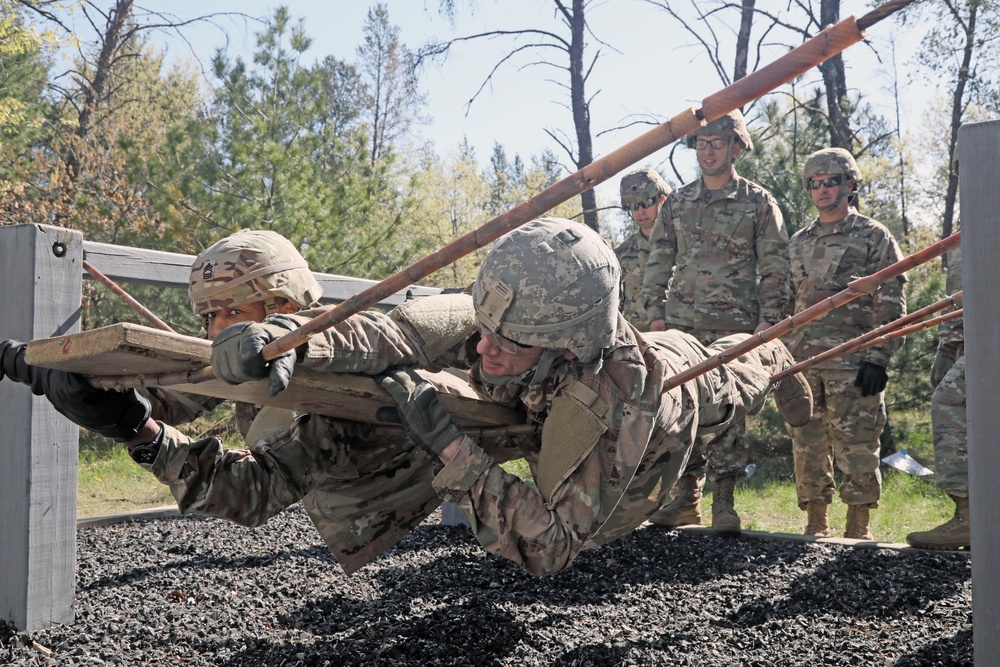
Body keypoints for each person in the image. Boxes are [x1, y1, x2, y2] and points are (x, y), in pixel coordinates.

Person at [207, 217, 812, 576]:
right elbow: (397, 332)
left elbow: (551, 546)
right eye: (484, 331)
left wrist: (452, 452)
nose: (483, 352)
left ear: (565, 348)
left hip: (684, 395)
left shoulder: (618, 398)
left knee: (736, 373)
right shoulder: (512, 313)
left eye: (508, 345)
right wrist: (293, 339)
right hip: (558, 398)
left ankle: (777, 354)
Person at [0, 229, 465, 575]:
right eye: (209, 316)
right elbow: (169, 394)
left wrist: (139, 431)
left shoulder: (342, 387)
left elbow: (254, 491)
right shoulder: (250, 353)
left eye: (235, 311)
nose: (216, 330)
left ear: (283, 307)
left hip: (409, 475)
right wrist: (69, 380)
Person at [640, 109, 792, 534]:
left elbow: (776, 266)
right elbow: (659, 259)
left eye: (717, 144)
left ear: (736, 147)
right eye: (701, 144)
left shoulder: (759, 203)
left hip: (735, 327)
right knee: (682, 411)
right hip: (681, 327)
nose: (708, 152)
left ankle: (724, 503)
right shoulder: (679, 203)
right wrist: (655, 315)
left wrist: (769, 324)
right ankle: (686, 500)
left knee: (729, 412)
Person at [786, 148, 907, 540]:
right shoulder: (799, 242)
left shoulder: (874, 236)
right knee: (807, 446)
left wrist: (879, 357)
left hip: (852, 363)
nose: (822, 190)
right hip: (804, 362)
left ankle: (857, 529)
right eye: (815, 184)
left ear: (850, 185)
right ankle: (816, 524)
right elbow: (789, 300)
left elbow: (890, 299)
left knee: (857, 447)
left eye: (831, 181)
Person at [906, 245, 969, 549]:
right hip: (961, 337)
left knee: (948, 401)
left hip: (988, 331)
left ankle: (969, 515)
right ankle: (982, 518)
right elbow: (957, 292)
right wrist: (948, 344)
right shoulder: (970, 224)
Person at [615, 167, 671, 332]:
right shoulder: (621, 253)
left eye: (646, 203)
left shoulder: (683, 244)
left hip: (680, 339)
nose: (641, 211)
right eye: (634, 206)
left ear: (661, 201)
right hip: (638, 341)